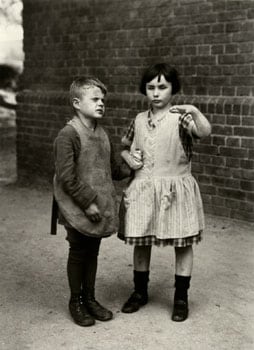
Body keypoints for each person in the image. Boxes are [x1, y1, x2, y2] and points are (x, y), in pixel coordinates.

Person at [119, 63, 211, 322]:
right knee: (141, 240)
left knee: (182, 243)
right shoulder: (138, 119)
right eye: (151, 88)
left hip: (175, 189)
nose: (156, 93)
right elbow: (125, 147)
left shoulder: (181, 116)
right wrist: (129, 157)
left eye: (162, 87)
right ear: (144, 90)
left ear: (173, 89)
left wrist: (193, 110)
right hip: (144, 189)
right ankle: (139, 292)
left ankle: (181, 298)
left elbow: (204, 132)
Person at [52, 76, 130, 327]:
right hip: (76, 206)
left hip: (97, 205)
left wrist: (132, 163)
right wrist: (87, 203)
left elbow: (113, 171)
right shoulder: (68, 134)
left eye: (103, 100)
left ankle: (90, 299)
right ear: (77, 103)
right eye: (95, 99)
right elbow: (66, 177)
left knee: (92, 251)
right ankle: (76, 301)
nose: (101, 104)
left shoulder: (102, 133)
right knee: (78, 250)